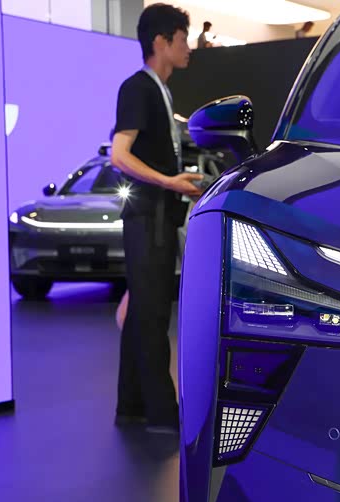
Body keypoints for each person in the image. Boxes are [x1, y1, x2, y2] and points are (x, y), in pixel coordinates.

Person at [111, 3, 202, 433]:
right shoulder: (138, 88)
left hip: (157, 216)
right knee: (150, 316)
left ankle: (132, 406)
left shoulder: (159, 91)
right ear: (161, 42)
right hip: (148, 217)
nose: (189, 47)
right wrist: (169, 182)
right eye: (183, 39)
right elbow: (119, 154)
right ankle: (162, 414)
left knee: (143, 314)